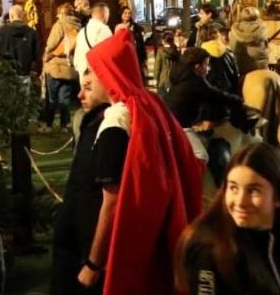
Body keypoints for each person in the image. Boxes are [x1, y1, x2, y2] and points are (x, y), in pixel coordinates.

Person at [87, 35, 204, 293]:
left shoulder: (121, 118)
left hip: (132, 241)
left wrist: (93, 263)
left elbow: (122, 195)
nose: (88, 78)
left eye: (93, 71)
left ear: (109, 74)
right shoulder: (149, 104)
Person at [176, 142, 280, 295]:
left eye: (253, 190)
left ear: (278, 196)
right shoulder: (209, 250)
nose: (240, 201)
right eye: (233, 188)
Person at [52, 58, 131, 294]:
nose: (80, 95)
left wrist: (94, 262)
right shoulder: (95, 122)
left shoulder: (112, 128)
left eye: (88, 87)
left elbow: (111, 200)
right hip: (75, 242)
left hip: (88, 251)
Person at [166, 47, 249, 186]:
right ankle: (191, 190)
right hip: (180, 126)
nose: (209, 68)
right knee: (201, 156)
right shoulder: (195, 81)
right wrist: (240, 101)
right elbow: (217, 95)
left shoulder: (181, 77)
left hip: (171, 123)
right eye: (206, 64)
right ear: (197, 66)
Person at [43, 3, 81, 132]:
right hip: (70, 67)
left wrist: (47, 52)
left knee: (52, 98)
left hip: (56, 66)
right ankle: (64, 125)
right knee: (64, 98)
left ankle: (48, 124)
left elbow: (51, 43)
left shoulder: (59, 25)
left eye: (58, 13)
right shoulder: (78, 26)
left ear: (62, 14)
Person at [0, 7, 40, 88]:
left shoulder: (2, 32)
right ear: (22, 16)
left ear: (10, 16)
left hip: (6, 74)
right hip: (24, 73)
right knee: (24, 99)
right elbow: (36, 56)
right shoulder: (31, 33)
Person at [197, 21, 241, 95]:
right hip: (228, 94)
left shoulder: (198, 56)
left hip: (208, 96)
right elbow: (235, 77)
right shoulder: (229, 53)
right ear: (217, 35)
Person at [73, 3, 114, 77]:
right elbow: (108, 54)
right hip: (97, 74)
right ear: (104, 14)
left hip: (83, 75)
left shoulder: (82, 31)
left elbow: (76, 59)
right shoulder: (103, 29)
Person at [228, 7, 270, 76]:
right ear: (257, 16)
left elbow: (232, 49)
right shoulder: (262, 29)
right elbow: (266, 46)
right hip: (260, 68)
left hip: (241, 68)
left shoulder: (234, 31)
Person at [155, 30, 183, 96]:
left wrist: (155, 78)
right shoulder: (176, 50)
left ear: (163, 40)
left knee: (162, 97)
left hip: (163, 78)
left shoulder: (160, 51)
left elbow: (157, 66)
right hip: (175, 78)